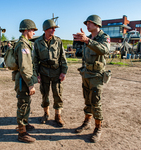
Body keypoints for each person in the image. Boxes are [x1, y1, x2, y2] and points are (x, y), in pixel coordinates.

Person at [73, 15, 110, 143]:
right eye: (87, 23)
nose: (87, 26)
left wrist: (87, 41)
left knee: (96, 102)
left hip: (96, 75)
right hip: (86, 74)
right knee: (87, 100)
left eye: (90, 23)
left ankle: (98, 128)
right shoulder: (88, 38)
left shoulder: (103, 37)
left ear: (97, 24)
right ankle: (87, 122)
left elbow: (104, 50)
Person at [33, 19, 68, 127]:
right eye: (52, 28)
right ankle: (46, 114)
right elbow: (35, 60)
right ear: (46, 29)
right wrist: (36, 74)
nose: (54, 30)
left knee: (58, 94)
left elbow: (63, 57)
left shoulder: (58, 41)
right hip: (43, 72)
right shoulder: (38, 42)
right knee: (45, 94)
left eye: (54, 28)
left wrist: (63, 72)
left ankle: (58, 116)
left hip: (56, 72)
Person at [14, 19, 38, 143]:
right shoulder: (23, 45)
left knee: (26, 102)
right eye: (33, 30)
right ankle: (22, 133)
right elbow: (24, 67)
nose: (34, 32)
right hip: (23, 81)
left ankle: (25, 123)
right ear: (27, 30)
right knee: (23, 104)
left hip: (24, 79)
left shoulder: (25, 44)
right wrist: (30, 84)